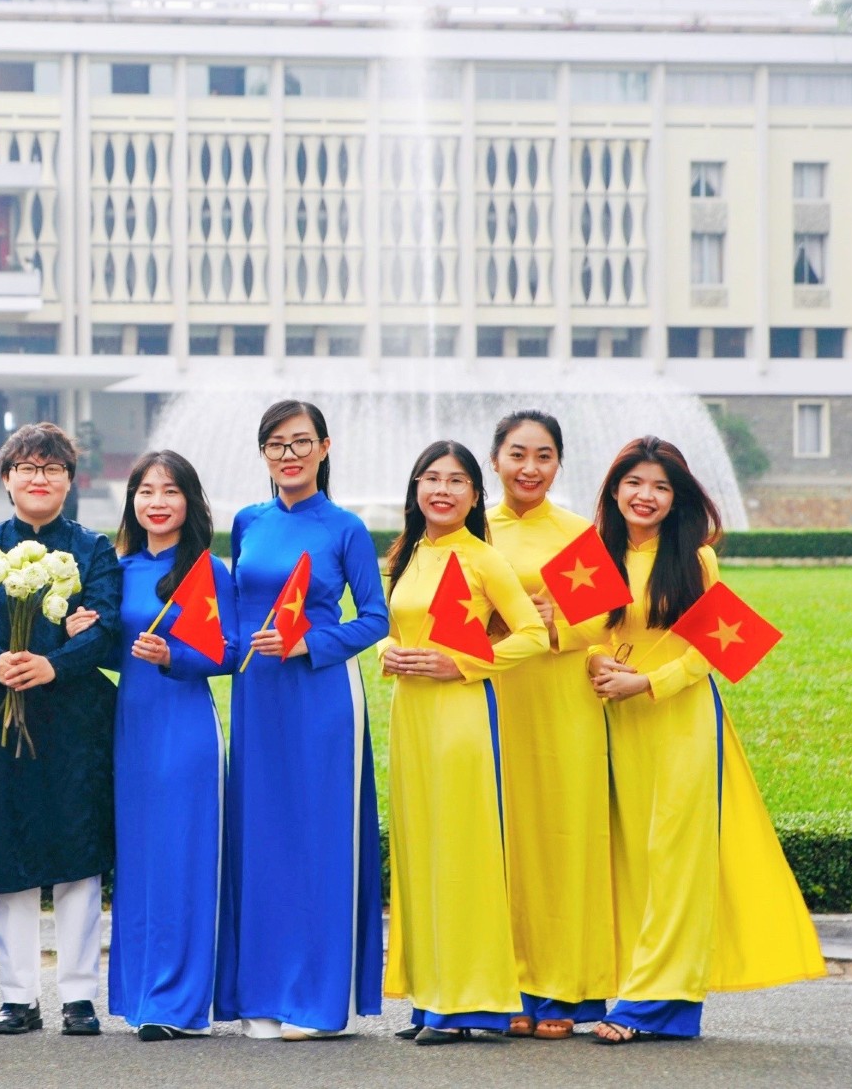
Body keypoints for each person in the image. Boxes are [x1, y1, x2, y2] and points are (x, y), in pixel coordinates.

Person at [587, 437, 824, 1044]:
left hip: (682, 723)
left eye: (661, 487)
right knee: (636, 862)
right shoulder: (591, 554)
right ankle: (665, 1006)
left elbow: (709, 652)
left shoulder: (695, 559)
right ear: (614, 488)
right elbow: (574, 634)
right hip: (617, 725)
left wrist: (646, 681)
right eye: (635, 483)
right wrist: (597, 664)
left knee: (676, 861)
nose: (646, 496)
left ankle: (645, 1006)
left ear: (678, 498)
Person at [215, 401, 388, 1040]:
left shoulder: (345, 528)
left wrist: (307, 644)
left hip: (321, 695)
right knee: (260, 838)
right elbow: (236, 614)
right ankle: (260, 993)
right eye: (276, 444)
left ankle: (318, 1003)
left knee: (319, 839)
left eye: (300, 442)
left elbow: (375, 618)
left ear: (324, 447)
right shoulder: (248, 522)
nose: (289, 455)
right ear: (263, 453)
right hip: (256, 697)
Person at [0, 422, 121, 1037]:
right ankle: (18, 995)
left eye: (52, 468)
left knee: (78, 854)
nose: (39, 478)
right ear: (6, 478)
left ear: (70, 480)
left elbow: (105, 626)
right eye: (27, 467)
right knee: (8, 849)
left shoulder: (93, 551)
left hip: (75, 719)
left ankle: (79, 995)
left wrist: (56, 664)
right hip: (1, 716)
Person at [378, 440, 548, 1045]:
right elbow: (394, 627)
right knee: (421, 853)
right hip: (411, 717)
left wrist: (465, 665)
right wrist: (388, 652)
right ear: (416, 489)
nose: (442, 490)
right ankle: (431, 999)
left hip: (461, 717)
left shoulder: (482, 558)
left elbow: (532, 633)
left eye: (456, 481)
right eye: (431, 478)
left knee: (460, 854)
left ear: (476, 495)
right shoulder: (408, 554)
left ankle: (467, 1002)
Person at [483, 411, 615, 1038]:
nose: (529, 468)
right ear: (495, 460)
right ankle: (502, 984)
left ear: (559, 463)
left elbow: (603, 621)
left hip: (563, 701)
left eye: (543, 456)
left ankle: (562, 988)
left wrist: (552, 622)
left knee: (562, 839)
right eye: (517, 454)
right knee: (499, 838)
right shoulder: (472, 529)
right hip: (492, 694)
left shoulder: (575, 533)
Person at [104, 451, 236, 1041]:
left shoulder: (208, 570)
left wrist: (174, 655)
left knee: (182, 858)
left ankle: (179, 1004)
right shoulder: (119, 569)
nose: (157, 502)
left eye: (170, 491)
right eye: (146, 491)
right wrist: (85, 633)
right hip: (130, 729)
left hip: (184, 728)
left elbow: (231, 651)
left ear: (190, 501)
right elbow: (118, 652)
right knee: (138, 863)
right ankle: (140, 996)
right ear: (132, 501)